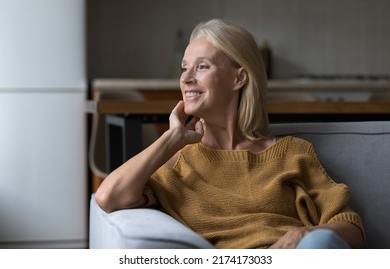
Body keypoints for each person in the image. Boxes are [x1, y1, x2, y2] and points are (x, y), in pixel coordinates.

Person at [95, 19, 365, 249]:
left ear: (239, 78)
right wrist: (171, 138)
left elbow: (350, 228)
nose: (186, 78)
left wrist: (309, 233)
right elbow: (108, 198)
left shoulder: (293, 153)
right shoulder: (178, 161)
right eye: (184, 68)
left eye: (202, 67)